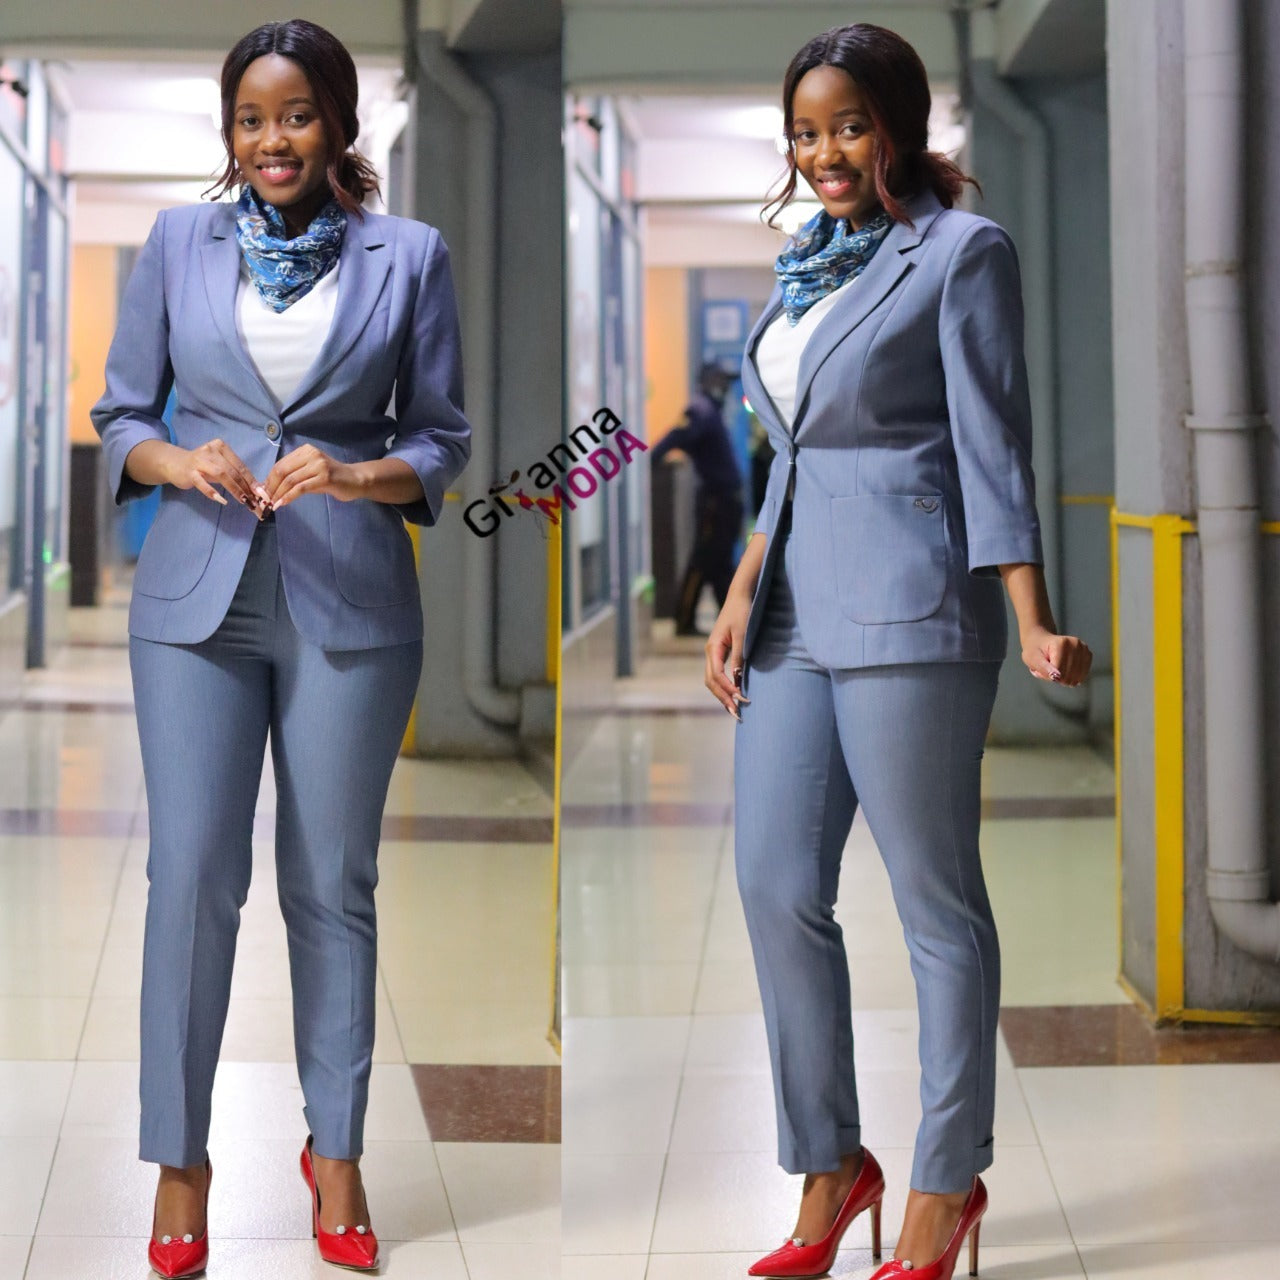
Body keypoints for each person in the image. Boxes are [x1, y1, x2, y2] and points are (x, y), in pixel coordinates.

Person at [702, 23, 1091, 1280]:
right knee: (773, 883)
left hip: (914, 605)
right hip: (791, 613)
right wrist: (745, 575)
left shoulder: (962, 251)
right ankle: (828, 1163)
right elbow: (793, 443)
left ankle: (941, 1178)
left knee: (934, 902)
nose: (823, 153)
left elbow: (992, 440)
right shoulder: (800, 263)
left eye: (847, 127)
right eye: (806, 132)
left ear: (900, 127)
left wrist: (1027, 612)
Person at [91, 19, 470, 1277]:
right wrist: (172, 458)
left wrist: (359, 472)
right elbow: (121, 413)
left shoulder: (409, 255)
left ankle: (340, 1150)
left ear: (338, 123)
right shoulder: (173, 243)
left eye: (296, 114)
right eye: (252, 118)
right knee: (192, 877)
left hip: (349, 602)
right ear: (229, 131)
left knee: (330, 883)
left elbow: (443, 438)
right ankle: (180, 1159)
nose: (272, 139)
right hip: (194, 600)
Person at [650, 362, 744, 635]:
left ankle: (726, 620)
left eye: (726, 381)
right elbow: (676, 436)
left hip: (725, 501)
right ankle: (684, 619)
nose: (724, 386)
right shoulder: (700, 410)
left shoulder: (712, 411)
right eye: (720, 380)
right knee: (704, 559)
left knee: (719, 562)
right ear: (707, 381)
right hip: (715, 501)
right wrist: (653, 459)